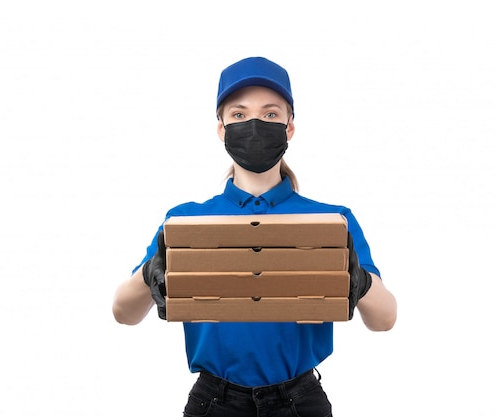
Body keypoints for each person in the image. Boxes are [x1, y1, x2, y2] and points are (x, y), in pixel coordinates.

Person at [112, 56, 397, 416]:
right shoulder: (185, 221)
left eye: (271, 114)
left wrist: (360, 281)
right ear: (221, 129)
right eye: (239, 114)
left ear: (289, 127)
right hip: (214, 401)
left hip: (300, 402)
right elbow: (123, 313)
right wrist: (151, 271)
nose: (255, 124)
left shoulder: (332, 221)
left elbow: (385, 319)